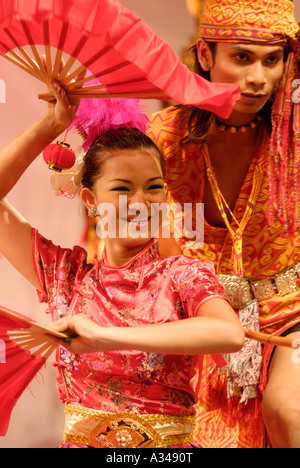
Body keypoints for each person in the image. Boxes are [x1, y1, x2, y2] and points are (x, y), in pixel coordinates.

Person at [0, 80, 244, 448]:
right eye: (121, 188)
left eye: (154, 187)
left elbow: (229, 334)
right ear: (90, 199)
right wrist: (51, 124)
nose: (141, 202)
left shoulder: (182, 275)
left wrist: (103, 337)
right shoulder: (66, 276)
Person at [146, 0, 300, 449]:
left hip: (293, 314)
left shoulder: (294, 135)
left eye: (273, 60)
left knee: (288, 411)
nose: (259, 78)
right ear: (207, 56)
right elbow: (131, 241)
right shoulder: (160, 137)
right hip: (202, 320)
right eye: (242, 58)